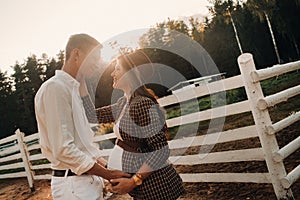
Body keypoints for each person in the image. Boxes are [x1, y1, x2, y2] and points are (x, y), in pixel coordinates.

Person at [34, 33, 130, 200]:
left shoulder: (71, 89)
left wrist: (106, 167)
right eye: (94, 58)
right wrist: (107, 173)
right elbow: (64, 149)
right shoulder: (55, 88)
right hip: (74, 186)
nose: (97, 64)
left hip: (83, 182)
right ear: (77, 54)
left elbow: (83, 144)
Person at [81, 49, 185, 200]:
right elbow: (91, 114)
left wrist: (133, 181)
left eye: (117, 69)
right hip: (144, 189)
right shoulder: (123, 103)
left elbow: (160, 151)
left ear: (131, 74)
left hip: (156, 188)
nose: (112, 73)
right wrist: (81, 80)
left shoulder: (142, 104)